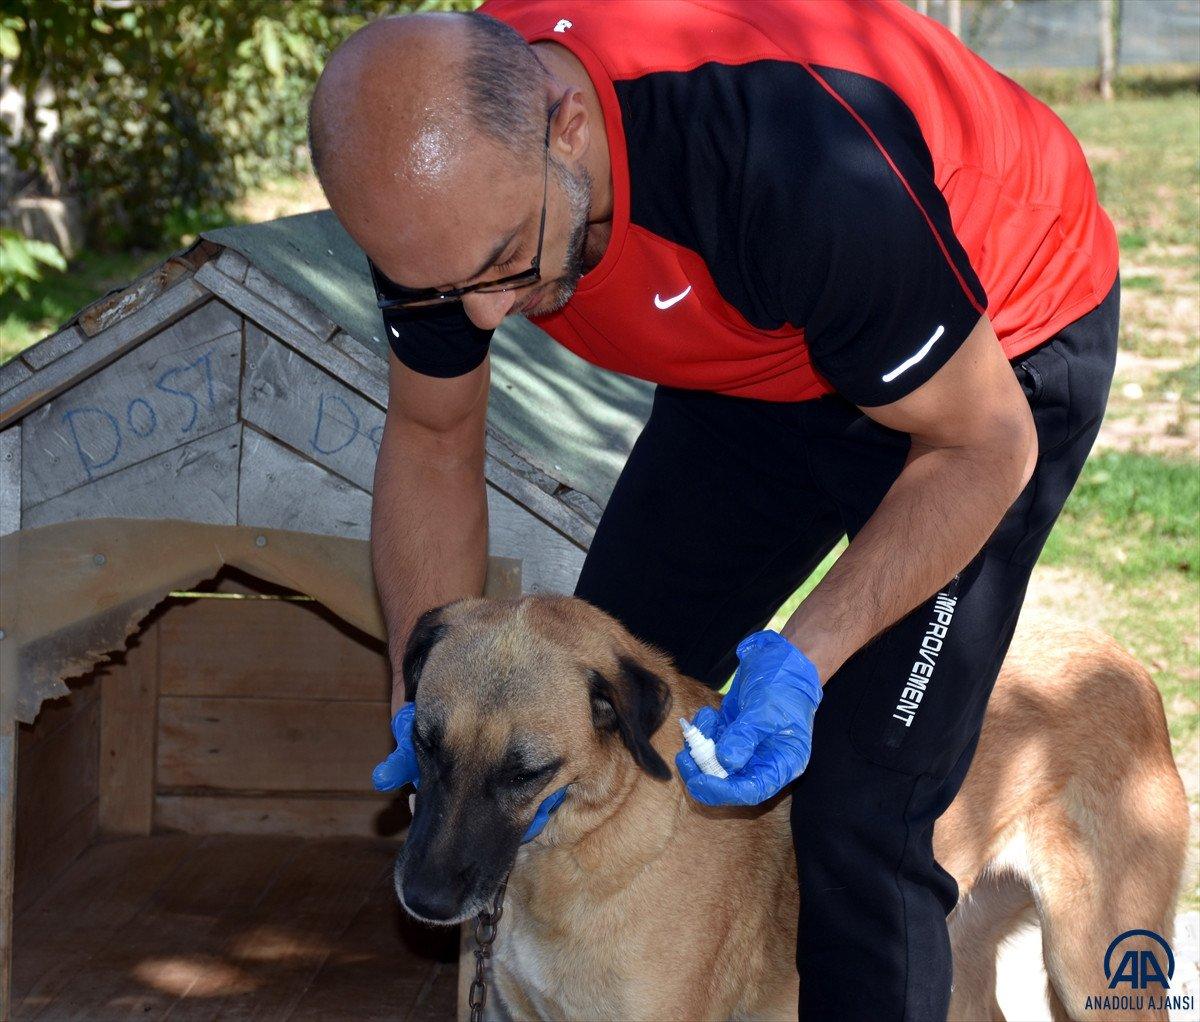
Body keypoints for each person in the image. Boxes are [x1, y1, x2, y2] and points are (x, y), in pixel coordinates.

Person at [307, 2, 1119, 1017]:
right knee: (583, 695)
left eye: (507, 260)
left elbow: (982, 444)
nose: (480, 315)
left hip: (992, 354)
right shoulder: (441, 198)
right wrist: (419, 703)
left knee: (860, 807)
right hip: (763, 353)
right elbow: (431, 440)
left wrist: (805, 658)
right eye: (438, 287)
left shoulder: (785, 157)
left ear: (564, 125)